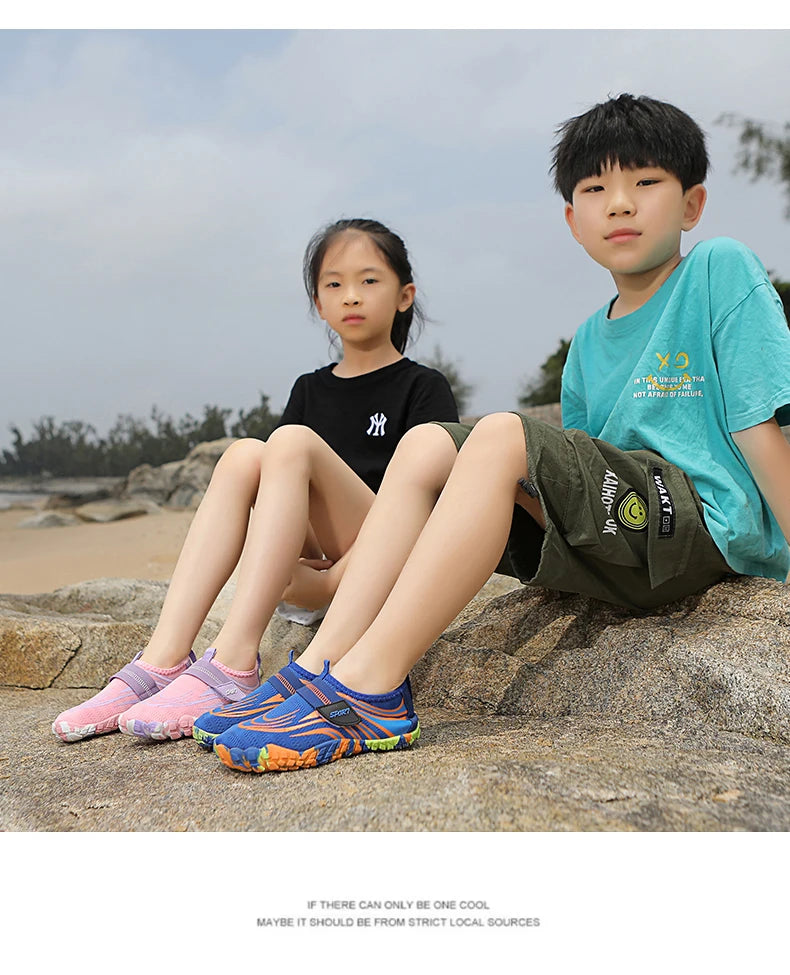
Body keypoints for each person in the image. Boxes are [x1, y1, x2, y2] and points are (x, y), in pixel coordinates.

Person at [206, 93, 790, 774]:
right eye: (596, 189)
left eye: (646, 182)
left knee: (504, 436)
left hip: (698, 525)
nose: (621, 204)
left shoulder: (718, 270)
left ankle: (372, 687)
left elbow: (760, 427)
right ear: (573, 220)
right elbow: (579, 483)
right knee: (428, 444)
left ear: (692, 204)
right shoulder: (587, 348)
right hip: (625, 544)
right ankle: (322, 663)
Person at [52, 218, 459, 744]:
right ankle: (164, 658)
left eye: (369, 280)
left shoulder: (423, 387)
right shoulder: (309, 389)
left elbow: (435, 505)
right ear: (318, 302)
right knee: (247, 454)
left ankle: (235, 662)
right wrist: (296, 572)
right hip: (317, 553)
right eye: (334, 284)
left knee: (289, 442)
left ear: (405, 296)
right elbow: (280, 494)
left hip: (382, 549)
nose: (350, 296)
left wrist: (334, 583)